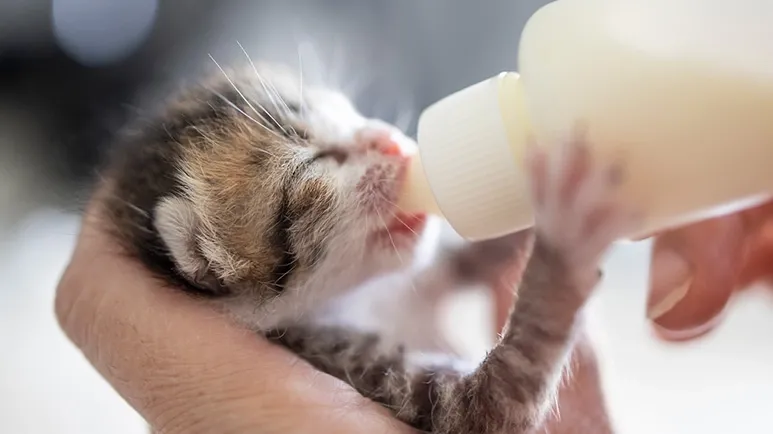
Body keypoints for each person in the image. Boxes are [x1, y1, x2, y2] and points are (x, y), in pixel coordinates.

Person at [56, 199, 773, 433]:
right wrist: (556, 276)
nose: (387, 145)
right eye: (313, 184)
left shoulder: (364, 280)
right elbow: (482, 410)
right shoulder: (311, 343)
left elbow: (467, 266)